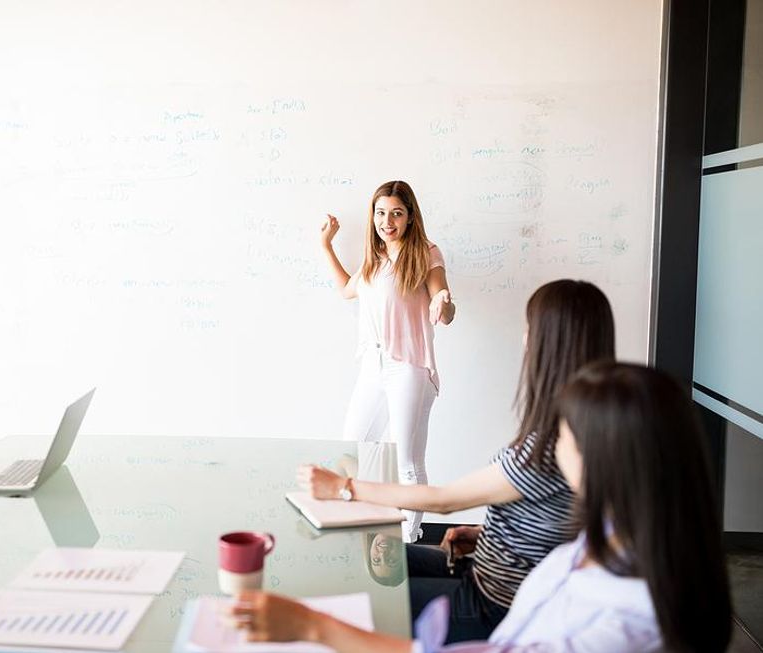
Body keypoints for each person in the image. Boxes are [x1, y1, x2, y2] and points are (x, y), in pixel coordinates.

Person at [230, 363, 733, 652]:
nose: (555, 450)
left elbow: (443, 499)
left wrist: (314, 627)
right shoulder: (618, 536)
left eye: (565, 439)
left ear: (603, 461)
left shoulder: (614, 627)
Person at [300, 279, 615, 641]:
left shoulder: (550, 448)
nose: (524, 337)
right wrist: (485, 535)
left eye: (530, 328)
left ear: (550, 344)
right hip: (483, 572)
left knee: (365, 599)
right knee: (373, 571)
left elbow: (444, 500)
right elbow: (565, 526)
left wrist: (344, 487)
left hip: (490, 604)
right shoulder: (591, 431)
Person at [321, 180, 454, 543]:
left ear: (410, 217)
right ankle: (365, 526)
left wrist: (442, 301)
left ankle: (410, 539)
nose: (387, 221)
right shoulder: (374, 259)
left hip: (409, 367)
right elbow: (348, 289)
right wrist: (326, 246)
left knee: (407, 461)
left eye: (396, 213)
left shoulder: (426, 253)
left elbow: (442, 296)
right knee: (354, 447)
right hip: (372, 365)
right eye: (381, 213)